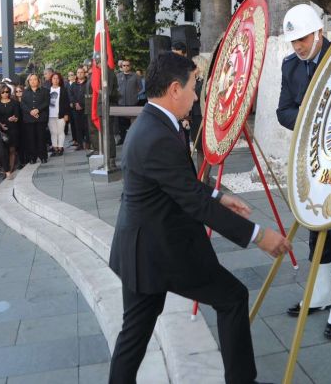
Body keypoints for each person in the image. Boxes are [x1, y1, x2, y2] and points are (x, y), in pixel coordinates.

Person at [108, 52, 291, 384]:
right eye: (194, 87)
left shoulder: (156, 123)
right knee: (232, 298)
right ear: (175, 89)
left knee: (134, 336)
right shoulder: (156, 135)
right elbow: (192, 200)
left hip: (145, 248)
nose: (196, 95)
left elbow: (180, 184)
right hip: (158, 252)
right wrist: (257, 235)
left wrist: (220, 196)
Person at [276, 3, 331, 339]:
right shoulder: (290, 66)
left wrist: (321, 120)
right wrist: (314, 118)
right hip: (312, 161)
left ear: (318, 33)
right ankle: (321, 295)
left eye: (303, 39)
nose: (298, 46)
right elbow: (284, 112)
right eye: (293, 40)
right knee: (314, 226)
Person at [21, 73, 50, 163]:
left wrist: (38, 110)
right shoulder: (25, 92)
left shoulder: (45, 91)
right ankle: (32, 158)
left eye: (35, 79)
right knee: (31, 139)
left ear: (38, 80)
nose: (33, 81)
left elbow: (46, 102)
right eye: (31, 80)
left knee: (41, 138)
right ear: (28, 82)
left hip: (41, 118)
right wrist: (31, 111)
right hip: (29, 119)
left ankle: (43, 156)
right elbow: (23, 104)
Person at [0, 85, 22, 173]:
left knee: (12, 149)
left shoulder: (15, 103)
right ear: (0, 93)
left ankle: (10, 169)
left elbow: (17, 115)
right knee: (3, 151)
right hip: (1, 130)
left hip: (13, 128)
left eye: (7, 92)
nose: (5, 94)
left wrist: (15, 118)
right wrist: (1, 124)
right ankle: (4, 168)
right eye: (3, 92)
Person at [115, 59, 141, 144]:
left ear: (130, 66)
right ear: (121, 67)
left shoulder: (135, 76)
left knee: (133, 124)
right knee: (122, 124)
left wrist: (134, 95)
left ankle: (133, 140)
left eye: (127, 65)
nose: (126, 67)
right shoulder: (118, 76)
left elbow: (140, 87)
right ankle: (123, 139)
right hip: (121, 103)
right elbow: (115, 87)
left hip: (132, 103)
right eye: (124, 65)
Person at [47, 72, 70, 156]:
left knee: (60, 131)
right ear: (51, 80)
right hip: (50, 115)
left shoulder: (63, 90)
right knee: (53, 132)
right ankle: (55, 148)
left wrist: (66, 114)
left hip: (61, 114)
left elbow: (67, 103)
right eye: (54, 78)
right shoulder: (47, 90)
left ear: (59, 80)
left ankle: (60, 147)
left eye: (57, 78)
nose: (55, 80)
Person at [69, 68, 87, 150]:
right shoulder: (73, 85)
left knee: (86, 126)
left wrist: (81, 104)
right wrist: (75, 103)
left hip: (85, 108)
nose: (80, 74)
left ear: (84, 73)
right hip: (75, 109)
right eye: (78, 72)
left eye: (81, 72)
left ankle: (88, 143)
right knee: (78, 127)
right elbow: (71, 95)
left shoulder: (88, 83)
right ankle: (80, 144)